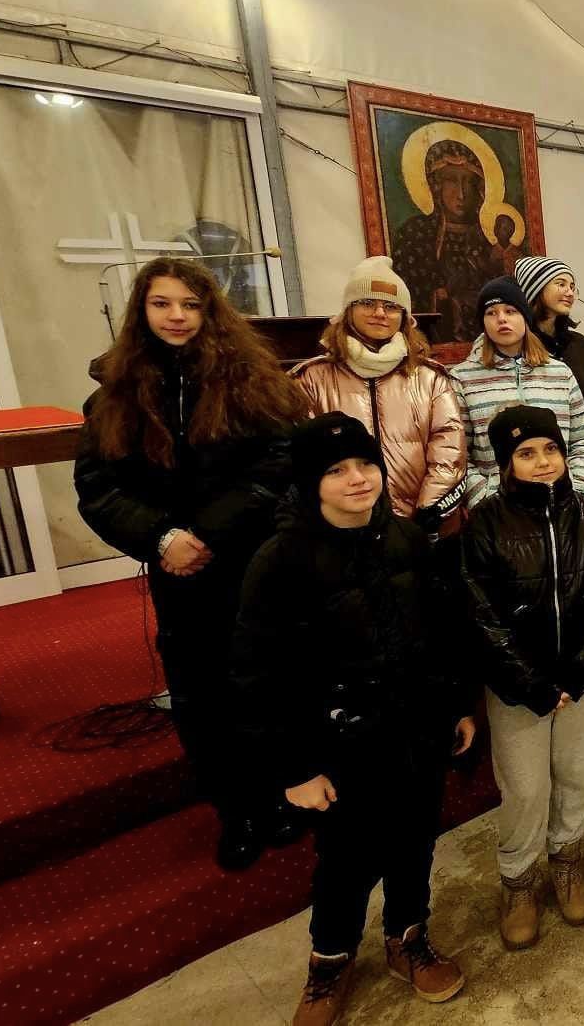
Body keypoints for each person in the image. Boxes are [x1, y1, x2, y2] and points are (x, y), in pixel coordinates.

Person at [228, 414, 475, 1025]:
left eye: (365, 464)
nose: (357, 479)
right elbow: (258, 675)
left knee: (415, 839)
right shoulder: (280, 560)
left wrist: (458, 707)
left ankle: (407, 936)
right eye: (336, 470)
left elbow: (443, 634)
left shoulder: (408, 539)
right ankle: (331, 960)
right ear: (310, 482)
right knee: (346, 858)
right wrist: (294, 768)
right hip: (339, 741)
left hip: (415, 728)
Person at [75, 256, 304, 871]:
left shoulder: (252, 382)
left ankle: (279, 795)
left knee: (267, 682)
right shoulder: (114, 396)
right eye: (162, 304)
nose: (176, 316)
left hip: (250, 558)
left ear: (210, 312)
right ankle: (236, 811)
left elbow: (279, 465)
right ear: (142, 311)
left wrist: (206, 532)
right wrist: (161, 538)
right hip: (178, 568)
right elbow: (98, 488)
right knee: (202, 694)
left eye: (190, 304)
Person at [460, 406, 584, 949]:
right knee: (526, 787)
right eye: (526, 453)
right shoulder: (487, 523)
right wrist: (528, 682)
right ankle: (519, 880)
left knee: (575, 773)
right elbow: (480, 612)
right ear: (505, 463)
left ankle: (568, 859)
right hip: (519, 687)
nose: (542, 462)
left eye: (550, 449)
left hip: (576, 679)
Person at [290, 258, 465, 530]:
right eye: (367, 303)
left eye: (391, 306)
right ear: (349, 311)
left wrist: (429, 510)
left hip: (420, 525)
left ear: (405, 317)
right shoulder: (311, 378)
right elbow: (302, 457)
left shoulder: (430, 377)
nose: (380, 313)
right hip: (341, 526)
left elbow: (449, 446)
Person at [449, 276, 584, 503]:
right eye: (491, 313)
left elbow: (583, 441)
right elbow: (457, 456)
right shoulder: (462, 379)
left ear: (525, 318)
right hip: (499, 510)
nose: (501, 319)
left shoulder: (560, 373)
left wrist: (579, 492)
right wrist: (486, 500)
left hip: (561, 503)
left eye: (510, 311)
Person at [389, 140, 496, 341]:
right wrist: (438, 295)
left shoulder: (487, 238)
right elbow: (404, 295)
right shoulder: (415, 234)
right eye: (451, 181)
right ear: (436, 186)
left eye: (468, 182)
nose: (461, 193)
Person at [516, 255, 584, 456]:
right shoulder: (517, 347)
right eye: (560, 284)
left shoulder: (581, 346)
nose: (570, 292)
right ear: (536, 289)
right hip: (534, 459)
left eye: (572, 286)